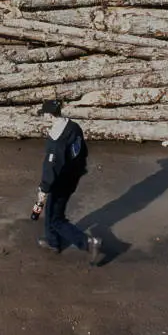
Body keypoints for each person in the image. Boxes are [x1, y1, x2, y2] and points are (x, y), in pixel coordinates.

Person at [34, 100, 101, 259]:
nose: (43, 116)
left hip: (61, 180)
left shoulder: (56, 140)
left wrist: (43, 189)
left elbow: (51, 168)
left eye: (44, 114)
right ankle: (52, 241)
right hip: (74, 175)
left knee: (56, 218)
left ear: (50, 116)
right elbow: (82, 150)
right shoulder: (74, 127)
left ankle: (88, 242)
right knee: (51, 210)